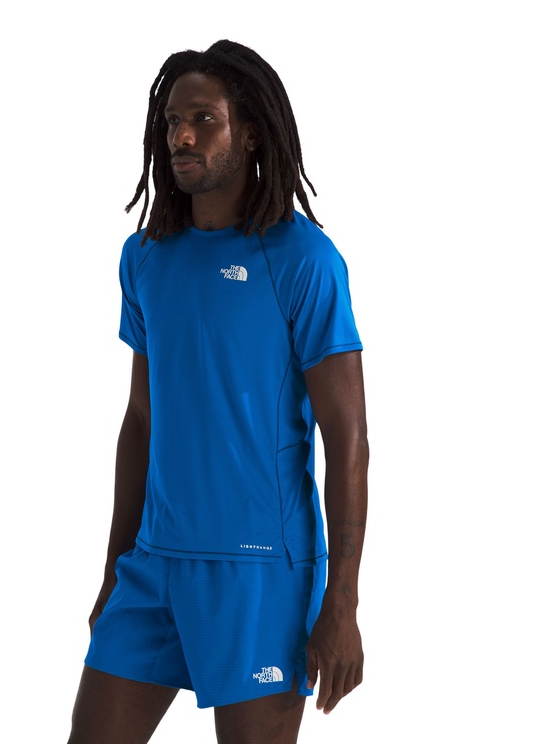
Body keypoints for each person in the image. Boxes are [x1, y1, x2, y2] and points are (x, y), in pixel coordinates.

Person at [68, 39, 369, 744]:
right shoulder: (145, 256)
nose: (182, 136)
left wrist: (342, 602)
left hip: (259, 575)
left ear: (252, 132)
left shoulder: (303, 260)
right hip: (154, 564)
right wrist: (114, 567)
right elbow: (141, 421)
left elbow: (348, 437)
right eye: (173, 120)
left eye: (204, 119)